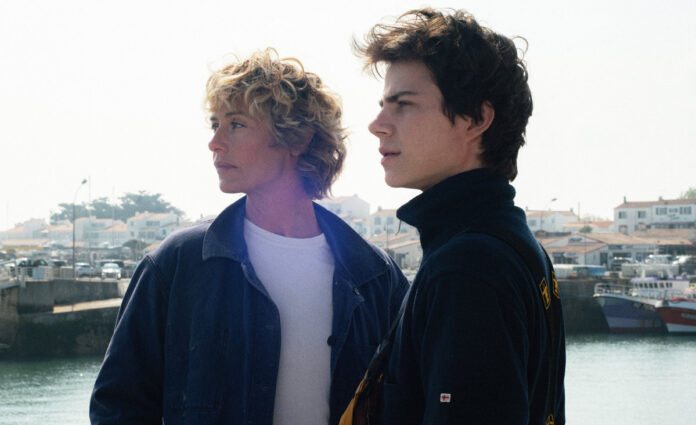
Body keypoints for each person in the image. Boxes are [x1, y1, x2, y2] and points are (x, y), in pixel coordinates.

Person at [90, 48, 408, 425]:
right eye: (215, 124)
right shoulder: (177, 263)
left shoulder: (375, 275)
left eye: (236, 124)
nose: (215, 142)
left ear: (298, 138)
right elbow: (118, 404)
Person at [353, 8, 566, 424]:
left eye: (403, 105)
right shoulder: (511, 242)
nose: (377, 125)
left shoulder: (468, 265)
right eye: (383, 106)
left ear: (477, 119)